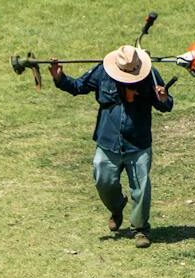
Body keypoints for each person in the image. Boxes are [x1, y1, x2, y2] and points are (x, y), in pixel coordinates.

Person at [50, 45, 173, 248]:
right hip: (108, 142)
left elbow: (165, 105)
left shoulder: (151, 74)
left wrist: (164, 98)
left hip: (138, 144)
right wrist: (59, 78)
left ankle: (140, 229)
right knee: (102, 179)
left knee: (141, 188)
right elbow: (78, 86)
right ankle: (117, 207)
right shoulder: (102, 72)